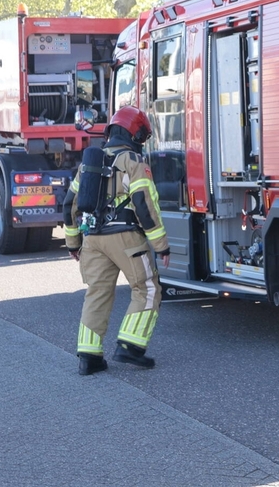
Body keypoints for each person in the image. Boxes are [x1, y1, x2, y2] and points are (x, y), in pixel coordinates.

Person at [63, 106, 171, 376]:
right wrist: (161, 245)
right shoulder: (132, 162)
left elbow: (69, 205)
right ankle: (131, 346)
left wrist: (73, 243)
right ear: (134, 133)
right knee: (147, 288)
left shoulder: (89, 164)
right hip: (126, 238)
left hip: (93, 240)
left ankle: (89, 358)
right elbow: (144, 206)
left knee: (97, 293)